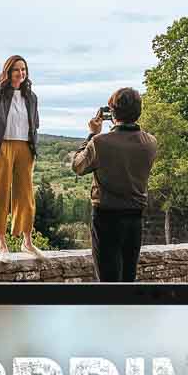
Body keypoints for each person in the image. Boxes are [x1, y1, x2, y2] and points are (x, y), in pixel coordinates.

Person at [71, 87, 157, 281]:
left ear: (113, 113)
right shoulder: (150, 142)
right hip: (135, 217)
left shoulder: (101, 142)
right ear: (138, 111)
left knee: (108, 281)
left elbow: (77, 166)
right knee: (128, 278)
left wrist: (92, 135)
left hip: (106, 218)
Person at [0, 54, 43, 257]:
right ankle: (2, 246)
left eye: (23, 69)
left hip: (25, 148)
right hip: (2, 148)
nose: (20, 73)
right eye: (16, 69)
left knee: (25, 195)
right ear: (8, 71)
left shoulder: (31, 97)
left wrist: (33, 145)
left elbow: (35, 124)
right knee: (0, 194)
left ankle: (27, 242)